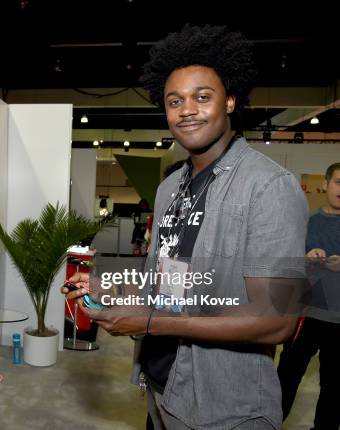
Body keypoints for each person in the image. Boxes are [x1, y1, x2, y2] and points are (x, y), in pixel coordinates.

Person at [63, 25, 308, 430]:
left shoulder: (268, 187)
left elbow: (278, 321)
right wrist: (109, 288)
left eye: (202, 97)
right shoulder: (169, 188)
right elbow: (168, 285)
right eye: (174, 100)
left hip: (227, 408)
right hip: (160, 387)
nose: (186, 109)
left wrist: (148, 323)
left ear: (230, 101)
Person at [276, 162, 340, 429]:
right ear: (325, 184)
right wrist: (305, 258)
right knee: (286, 378)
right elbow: (285, 264)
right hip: (306, 314)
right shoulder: (307, 222)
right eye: (339, 182)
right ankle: (269, 423)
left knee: (334, 387)